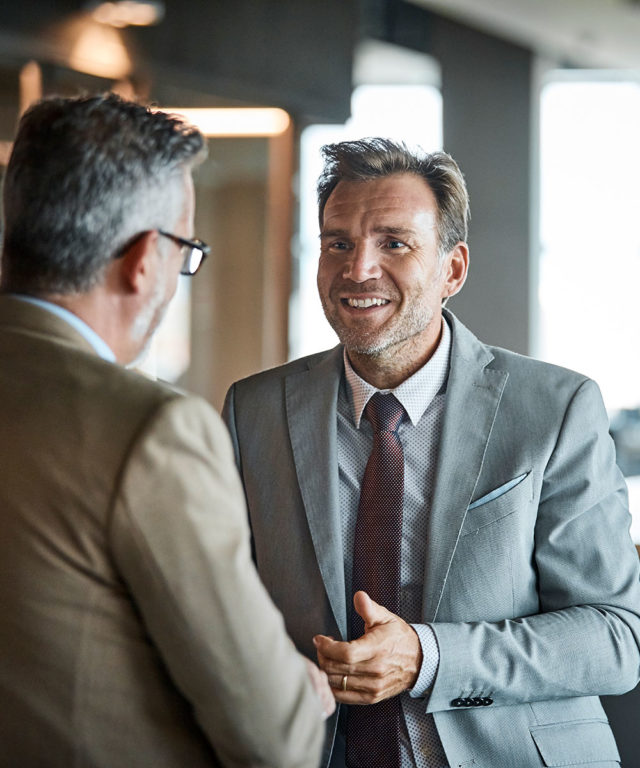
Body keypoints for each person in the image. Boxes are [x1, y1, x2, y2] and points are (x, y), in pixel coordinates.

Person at [223, 137, 640, 768]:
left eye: (394, 242)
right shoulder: (253, 410)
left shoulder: (556, 408)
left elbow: (615, 637)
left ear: (452, 269)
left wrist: (427, 657)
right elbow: (225, 604)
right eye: (338, 243)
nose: (358, 268)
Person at [0, 93, 333, 768]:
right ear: (146, 258)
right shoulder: (152, 431)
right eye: (187, 249)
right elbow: (277, 738)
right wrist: (303, 691)